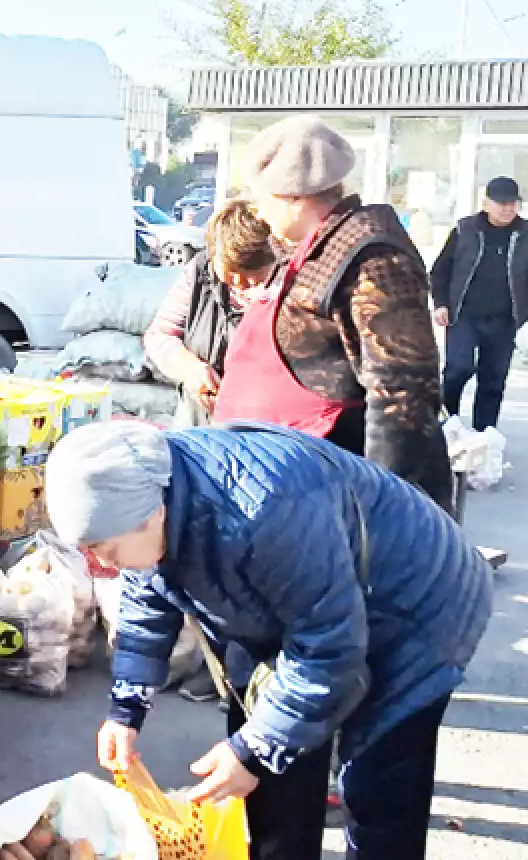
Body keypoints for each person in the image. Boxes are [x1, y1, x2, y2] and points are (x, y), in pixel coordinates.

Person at [44, 420, 491, 860]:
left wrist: (253, 750)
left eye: (103, 548)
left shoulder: (264, 512)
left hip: (415, 605)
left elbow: (326, 650)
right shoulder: (153, 501)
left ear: (152, 514)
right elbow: (149, 589)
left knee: (378, 781)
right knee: (275, 767)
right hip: (311, 603)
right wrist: (128, 706)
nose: (97, 562)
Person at [218, 115, 453, 511]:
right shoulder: (313, 247)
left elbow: (402, 392)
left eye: (262, 200)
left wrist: (379, 504)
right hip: (290, 477)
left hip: (341, 486)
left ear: (295, 196)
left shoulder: (375, 259)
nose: (258, 213)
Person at [144, 200, 276, 427]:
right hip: (198, 422)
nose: (238, 283)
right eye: (229, 272)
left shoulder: (288, 291)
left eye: (250, 274)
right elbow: (160, 336)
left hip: (264, 430)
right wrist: (191, 370)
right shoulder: (199, 274)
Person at [430, 175, 528, 432]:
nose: (508, 208)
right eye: (501, 203)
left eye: (513, 203)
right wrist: (440, 303)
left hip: (505, 320)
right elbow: (440, 270)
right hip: (463, 316)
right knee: (458, 369)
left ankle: (485, 435)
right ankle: (444, 423)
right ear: (486, 203)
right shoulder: (465, 230)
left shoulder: (525, 234)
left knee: (493, 380)